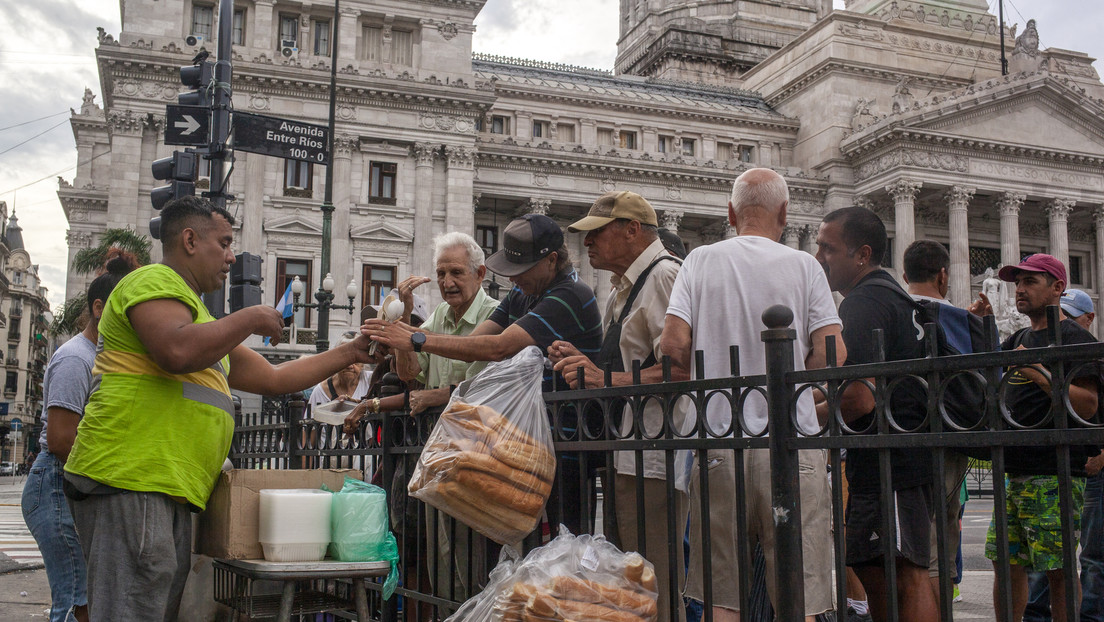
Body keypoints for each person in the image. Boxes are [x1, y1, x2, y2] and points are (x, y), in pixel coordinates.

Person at [63, 196, 377, 622]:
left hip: (162, 489)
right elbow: (175, 351)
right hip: (131, 482)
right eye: (225, 243)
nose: (232, 256)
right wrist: (248, 318)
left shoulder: (202, 326)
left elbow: (276, 379)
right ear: (190, 240)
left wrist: (351, 351)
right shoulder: (151, 281)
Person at [661, 168, 845, 622]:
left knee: (724, 595)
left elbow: (672, 346)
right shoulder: (805, 265)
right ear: (785, 213)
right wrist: (797, 378)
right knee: (797, 593)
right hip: (792, 444)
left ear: (730, 212)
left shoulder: (700, 260)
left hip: (720, 439)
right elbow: (833, 352)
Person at [364, 213, 604, 536]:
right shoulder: (524, 294)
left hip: (570, 446)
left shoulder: (571, 295)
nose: (512, 280)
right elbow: (473, 342)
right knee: (527, 545)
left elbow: (497, 348)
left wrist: (416, 338)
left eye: (521, 271)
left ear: (550, 261)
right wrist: (405, 338)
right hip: (529, 447)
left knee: (566, 542)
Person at [548, 190, 690, 622]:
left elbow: (683, 371)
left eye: (597, 233)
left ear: (633, 231)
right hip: (629, 452)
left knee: (654, 583)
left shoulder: (664, 276)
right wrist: (588, 364)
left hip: (654, 455)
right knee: (631, 583)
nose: (587, 243)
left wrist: (601, 377)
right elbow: (633, 365)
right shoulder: (623, 288)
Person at [814, 206, 938, 622]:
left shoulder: (864, 303)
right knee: (874, 564)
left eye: (828, 249)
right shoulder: (893, 296)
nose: (819, 258)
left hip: (892, 461)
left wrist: (797, 414)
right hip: (896, 454)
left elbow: (859, 398)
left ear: (862, 254)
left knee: (905, 571)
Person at [366, 232, 502, 603]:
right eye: (440, 273)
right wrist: (405, 318)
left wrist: (433, 397)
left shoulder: (493, 315)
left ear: (480, 273)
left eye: (456, 272)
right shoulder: (440, 315)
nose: (446, 282)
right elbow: (410, 373)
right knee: (440, 553)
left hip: (479, 452)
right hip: (439, 450)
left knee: (472, 554)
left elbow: (483, 387)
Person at [21, 251, 139, 622]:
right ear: (102, 308)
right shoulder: (77, 359)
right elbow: (59, 440)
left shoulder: (103, 357)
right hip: (57, 486)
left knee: (87, 598)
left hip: (73, 488)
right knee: (77, 601)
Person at [981, 254, 1099, 622]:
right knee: (1006, 561)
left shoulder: (1076, 337)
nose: (1020, 290)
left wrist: (1036, 371)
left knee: (1058, 567)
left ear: (1058, 288)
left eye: (1031, 282)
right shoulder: (1019, 336)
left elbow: (1089, 403)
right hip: (1013, 469)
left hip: (1054, 471)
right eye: (1017, 283)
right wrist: (981, 324)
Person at [900, 239, 971, 607]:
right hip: (947, 441)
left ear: (904, 274)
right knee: (939, 548)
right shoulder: (961, 321)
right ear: (944, 275)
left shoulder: (893, 313)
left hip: (896, 443)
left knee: (901, 547)